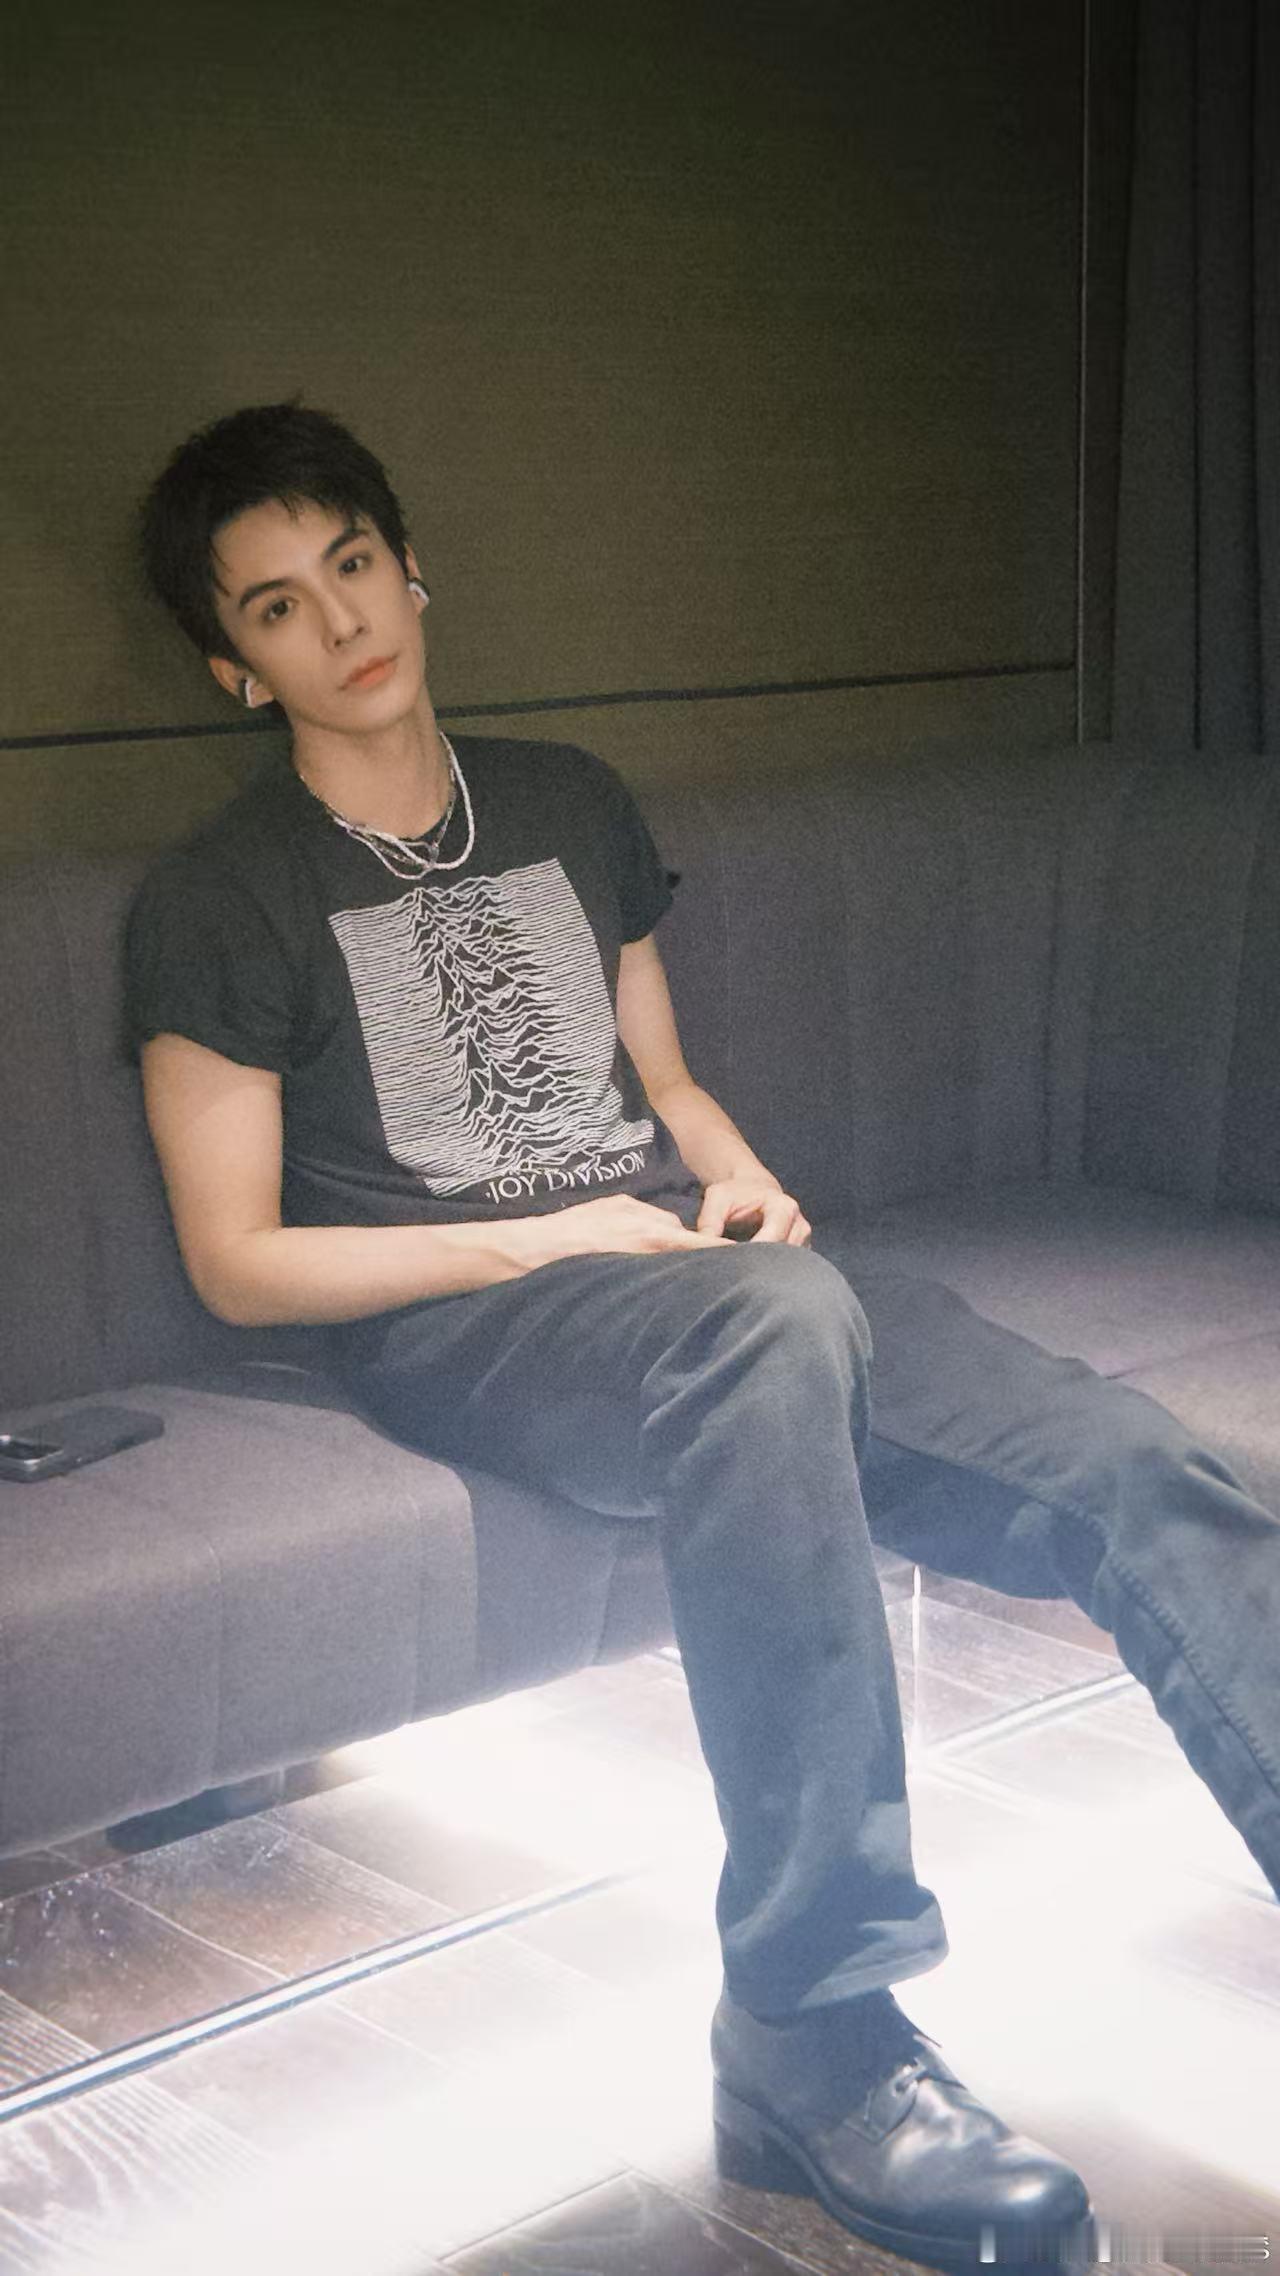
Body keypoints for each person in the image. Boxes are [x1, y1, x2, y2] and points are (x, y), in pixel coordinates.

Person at [126, 401, 1280, 2272]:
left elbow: (663, 1087)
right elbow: (240, 1261)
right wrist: (544, 1238)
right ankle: (815, 2026)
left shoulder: (569, 803)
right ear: (235, 669)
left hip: (708, 1285)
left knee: (1128, 1462)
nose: (339, 623)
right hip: (470, 1324)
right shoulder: (222, 898)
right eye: (276, 607)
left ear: (410, 567)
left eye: (352, 565)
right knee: (766, 1326)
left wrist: (739, 1183)